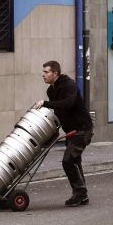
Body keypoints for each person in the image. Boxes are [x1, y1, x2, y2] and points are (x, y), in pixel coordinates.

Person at [32, 60, 94, 206]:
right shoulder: (51, 91)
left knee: (69, 161)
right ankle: (82, 195)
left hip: (82, 129)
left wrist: (46, 103)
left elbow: (68, 103)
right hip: (71, 132)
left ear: (55, 73)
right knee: (74, 161)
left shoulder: (68, 85)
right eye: (43, 72)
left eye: (46, 72)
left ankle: (80, 194)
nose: (43, 75)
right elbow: (60, 113)